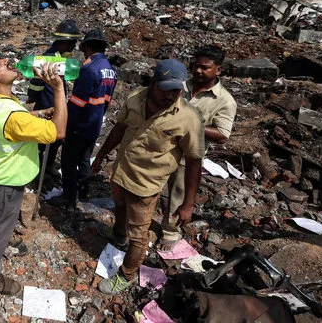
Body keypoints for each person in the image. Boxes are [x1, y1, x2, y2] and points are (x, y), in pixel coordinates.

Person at [90, 59, 205, 295]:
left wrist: (188, 203)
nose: (171, 95)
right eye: (166, 89)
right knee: (119, 209)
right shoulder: (135, 98)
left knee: (139, 236)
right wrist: (101, 155)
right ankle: (117, 237)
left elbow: (194, 161)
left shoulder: (188, 118)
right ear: (153, 83)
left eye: (177, 90)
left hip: (146, 186)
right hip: (121, 173)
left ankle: (126, 275)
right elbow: (120, 128)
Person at [0, 54, 67, 295]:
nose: (5, 61)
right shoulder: (12, 116)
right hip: (8, 180)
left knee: (2, 216)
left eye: (0, 59)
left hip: (1, 171)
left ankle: (6, 234)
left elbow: (16, 117)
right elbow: (59, 131)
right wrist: (58, 88)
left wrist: (39, 113)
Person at [158, 45, 237, 251]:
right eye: (196, 66)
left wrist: (190, 123)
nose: (198, 71)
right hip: (161, 144)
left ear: (218, 70)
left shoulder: (224, 101)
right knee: (149, 184)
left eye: (205, 67)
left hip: (188, 154)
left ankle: (170, 232)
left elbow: (222, 135)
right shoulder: (181, 85)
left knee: (178, 193)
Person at [50, 28, 117, 208]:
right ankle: (83, 191)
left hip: (80, 124)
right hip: (95, 124)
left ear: (87, 47)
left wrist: (65, 125)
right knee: (85, 159)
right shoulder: (110, 70)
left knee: (69, 160)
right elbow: (107, 101)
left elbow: (76, 104)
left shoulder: (89, 69)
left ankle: (69, 197)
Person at [27, 19, 81, 184]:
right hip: (46, 106)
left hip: (54, 105)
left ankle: (48, 166)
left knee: (56, 140)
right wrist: (41, 106)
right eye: (73, 43)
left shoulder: (59, 59)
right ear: (65, 42)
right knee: (42, 142)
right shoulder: (48, 59)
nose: (74, 47)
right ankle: (36, 174)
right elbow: (35, 85)